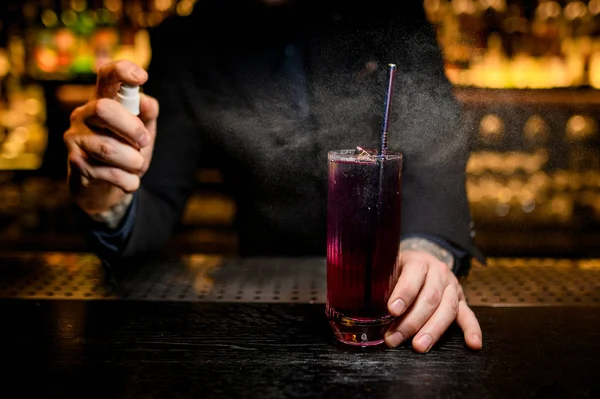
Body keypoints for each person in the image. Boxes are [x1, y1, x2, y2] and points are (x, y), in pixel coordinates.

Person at [64, 0, 484, 352]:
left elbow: (437, 141)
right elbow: (153, 201)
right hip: (258, 312)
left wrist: (427, 252)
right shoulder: (190, 41)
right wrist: (108, 195)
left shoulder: (388, 12)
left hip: (385, 292)